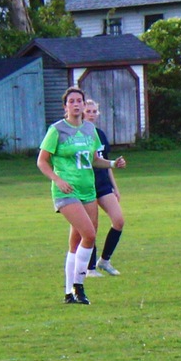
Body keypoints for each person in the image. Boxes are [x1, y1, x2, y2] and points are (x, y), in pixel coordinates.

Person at [37, 87, 120, 305]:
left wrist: (112, 164)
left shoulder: (90, 130)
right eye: (71, 101)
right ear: (65, 106)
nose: (76, 104)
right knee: (89, 235)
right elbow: (42, 161)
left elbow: (93, 160)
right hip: (67, 191)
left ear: (84, 105)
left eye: (79, 101)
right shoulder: (57, 130)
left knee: (76, 242)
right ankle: (79, 286)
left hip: (88, 190)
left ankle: (68, 293)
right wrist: (58, 180)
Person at [81, 95, 126, 276]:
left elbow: (105, 162)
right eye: (88, 111)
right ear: (82, 113)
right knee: (92, 226)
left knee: (119, 220)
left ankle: (104, 261)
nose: (91, 115)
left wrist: (115, 187)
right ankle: (89, 267)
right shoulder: (79, 134)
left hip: (103, 184)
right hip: (86, 185)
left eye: (94, 112)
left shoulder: (99, 134)